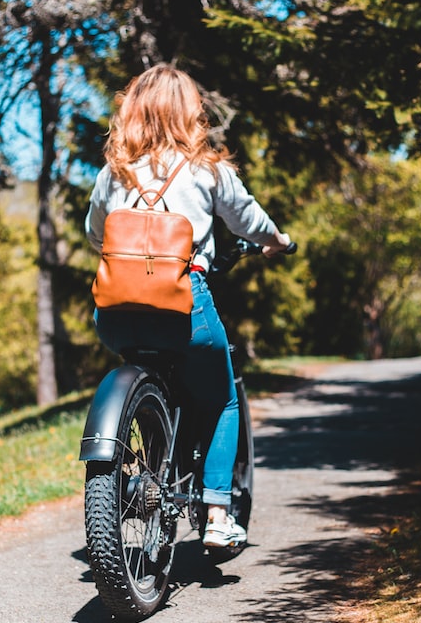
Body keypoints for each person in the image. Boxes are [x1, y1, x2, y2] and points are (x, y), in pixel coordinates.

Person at [85, 64, 292, 548]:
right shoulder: (206, 170)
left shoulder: (110, 173)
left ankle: (153, 442)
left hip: (117, 315)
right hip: (184, 307)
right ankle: (218, 515)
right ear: (190, 113)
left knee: (147, 358)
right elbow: (248, 220)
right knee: (221, 399)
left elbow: (96, 234)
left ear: (132, 111)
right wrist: (277, 240)